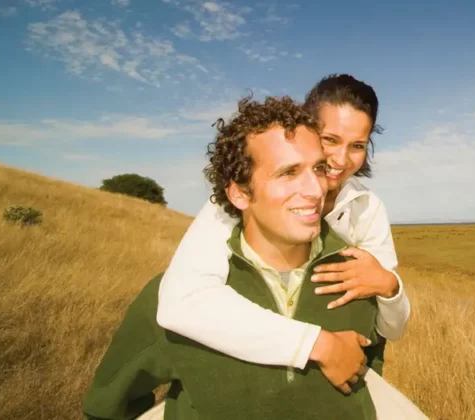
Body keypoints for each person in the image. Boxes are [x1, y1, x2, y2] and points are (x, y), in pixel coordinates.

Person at [82, 95, 425, 419]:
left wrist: (389, 286)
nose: (318, 187)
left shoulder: (356, 282)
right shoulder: (178, 289)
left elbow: (372, 366)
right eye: (288, 172)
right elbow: (109, 403)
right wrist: (317, 344)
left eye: (318, 168)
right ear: (239, 193)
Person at [155, 74, 410, 377]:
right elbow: (182, 300)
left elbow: (391, 329)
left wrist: (389, 286)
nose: (341, 160)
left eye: (357, 145)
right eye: (330, 140)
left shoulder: (367, 209)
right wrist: (316, 344)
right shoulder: (247, 195)